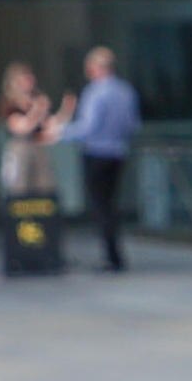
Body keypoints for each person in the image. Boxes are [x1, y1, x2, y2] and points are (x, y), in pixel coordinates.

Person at [63, 46, 143, 274]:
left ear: (95, 68)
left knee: (101, 207)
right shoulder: (126, 91)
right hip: (118, 153)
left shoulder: (95, 92)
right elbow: (133, 125)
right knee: (111, 204)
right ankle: (115, 255)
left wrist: (60, 132)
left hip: (97, 152)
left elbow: (88, 127)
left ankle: (112, 257)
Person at [0, 60, 60, 277]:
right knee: (20, 195)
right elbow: (21, 128)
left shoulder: (36, 101)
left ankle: (46, 247)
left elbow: (48, 130)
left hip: (38, 149)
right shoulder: (9, 104)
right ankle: (18, 249)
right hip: (20, 151)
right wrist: (37, 111)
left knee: (44, 193)